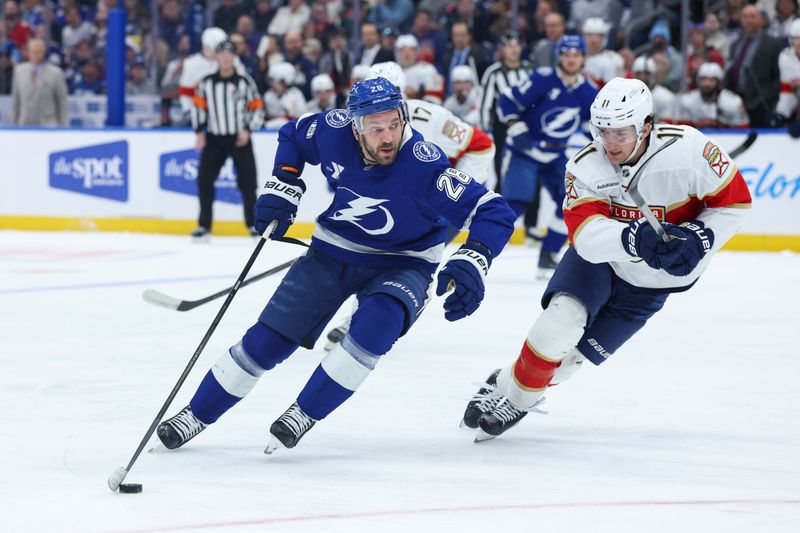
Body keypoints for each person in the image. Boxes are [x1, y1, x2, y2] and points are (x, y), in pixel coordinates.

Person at [156, 77, 515, 454]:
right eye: (376, 128)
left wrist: (475, 258)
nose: (388, 136)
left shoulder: (422, 165)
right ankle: (195, 414)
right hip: (333, 250)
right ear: (355, 125)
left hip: (404, 262)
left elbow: (493, 210)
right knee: (268, 342)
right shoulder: (332, 129)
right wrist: (285, 182)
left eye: (394, 124)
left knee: (378, 326)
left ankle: (304, 412)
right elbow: (293, 135)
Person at [461, 77, 752, 442]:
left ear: (646, 126)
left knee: (570, 362)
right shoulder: (585, 166)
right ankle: (517, 400)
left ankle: (505, 381)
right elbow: (585, 237)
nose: (609, 143)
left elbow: (735, 203)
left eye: (620, 133)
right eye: (603, 131)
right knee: (558, 325)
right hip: (600, 263)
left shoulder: (690, 150)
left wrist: (703, 235)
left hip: (651, 287)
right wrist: (633, 237)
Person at [322, 60, 497, 350]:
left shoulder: (431, 116)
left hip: (432, 211)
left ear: (404, 93)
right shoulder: (357, 123)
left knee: (413, 266)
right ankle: (361, 321)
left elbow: (481, 145)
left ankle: (378, 323)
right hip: (390, 207)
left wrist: (451, 194)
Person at [496, 35, 598, 278]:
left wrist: (600, 143)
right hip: (526, 150)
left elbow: (587, 124)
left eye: (576, 55)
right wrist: (514, 124)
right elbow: (506, 101)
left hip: (555, 154)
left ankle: (548, 255)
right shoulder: (542, 80)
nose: (571, 60)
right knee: (514, 205)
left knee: (572, 201)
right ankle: (480, 250)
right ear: (559, 57)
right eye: (567, 54)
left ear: (583, 58)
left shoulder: (588, 91)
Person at [190, 39, 264, 241]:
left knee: (248, 183)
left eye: (228, 53)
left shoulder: (244, 81)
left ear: (234, 57)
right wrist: (199, 131)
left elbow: (257, 106)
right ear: (216, 57)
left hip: (239, 137)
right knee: (204, 181)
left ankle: (253, 224)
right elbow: (198, 108)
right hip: (214, 138)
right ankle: (204, 225)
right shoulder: (206, 83)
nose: (225, 57)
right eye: (221, 54)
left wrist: (248, 129)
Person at [178, 27, 246, 122]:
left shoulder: (233, 61)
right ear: (206, 46)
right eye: (218, 49)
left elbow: (244, 86)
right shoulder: (191, 64)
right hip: (200, 112)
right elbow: (185, 92)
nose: (222, 53)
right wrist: (189, 111)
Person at [11, 37, 68, 126]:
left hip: (48, 127)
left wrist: (64, 126)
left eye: (40, 52)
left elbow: (62, 103)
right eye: (35, 52)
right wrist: (14, 126)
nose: (38, 55)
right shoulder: (19, 71)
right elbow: (16, 102)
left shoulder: (56, 73)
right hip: (24, 126)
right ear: (28, 53)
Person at [677, 62, 749, 128]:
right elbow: (680, 127)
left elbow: (742, 128)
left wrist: (722, 126)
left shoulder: (733, 101)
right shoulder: (687, 101)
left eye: (711, 80)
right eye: (703, 79)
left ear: (719, 83)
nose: (706, 84)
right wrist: (696, 125)